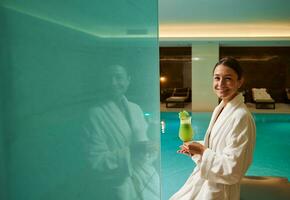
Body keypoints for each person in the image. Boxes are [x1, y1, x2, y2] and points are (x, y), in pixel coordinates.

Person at [170, 57, 256, 200]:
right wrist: (195, 150)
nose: (220, 84)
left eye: (228, 78)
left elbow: (233, 170)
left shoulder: (241, 117)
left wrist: (202, 151)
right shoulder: (221, 108)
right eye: (217, 78)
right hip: (207, 182)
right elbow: (218, 148)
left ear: (240, 82)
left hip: (219, 192)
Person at [82, 64, 159, 200]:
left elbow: (145, 146)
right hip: (117, 187)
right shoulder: (94, 114)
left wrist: (151, 148)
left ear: (128, 80)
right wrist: (131, 151)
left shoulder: (135, 109)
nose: (113, 83)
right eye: (108, 78)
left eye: (118, 77)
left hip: (146, 179)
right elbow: (94, 161)